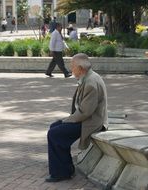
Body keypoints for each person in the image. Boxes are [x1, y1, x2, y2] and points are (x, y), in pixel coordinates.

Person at [45, 53, 108, 182]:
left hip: (92, 122)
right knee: (54, 128)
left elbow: (85, 112)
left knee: (54, 134)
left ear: (80, 68)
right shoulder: (87, 77)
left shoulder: (91, 82)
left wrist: (67, 120)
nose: (71, 69)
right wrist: (66, 121)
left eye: (72, 66)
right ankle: (65, 167)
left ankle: (62, 172)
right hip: (87, 118)